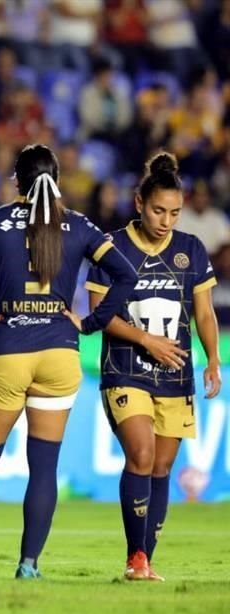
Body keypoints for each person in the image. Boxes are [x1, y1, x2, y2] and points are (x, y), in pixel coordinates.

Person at [0, 144, 137, 579]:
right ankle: (28, 565)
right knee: (43, 467)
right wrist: (91, 322)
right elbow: (126, 274)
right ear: (58, 180)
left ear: (16, 181)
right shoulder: (79, 225)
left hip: (7, 349)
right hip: (60, 353)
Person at [85, 152, 221, 581]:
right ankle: (135, 556)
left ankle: (147, 558)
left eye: (175, 213)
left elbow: (204, 313)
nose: (167, 221)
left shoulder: (191, 249)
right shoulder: (112, 248)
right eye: (159, 210)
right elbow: (98, 312)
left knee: (162, 467)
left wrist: (213, 359)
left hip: (176, 372)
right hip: (125, 368)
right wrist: (146, 340)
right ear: (139, 202)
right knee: (141, 455)